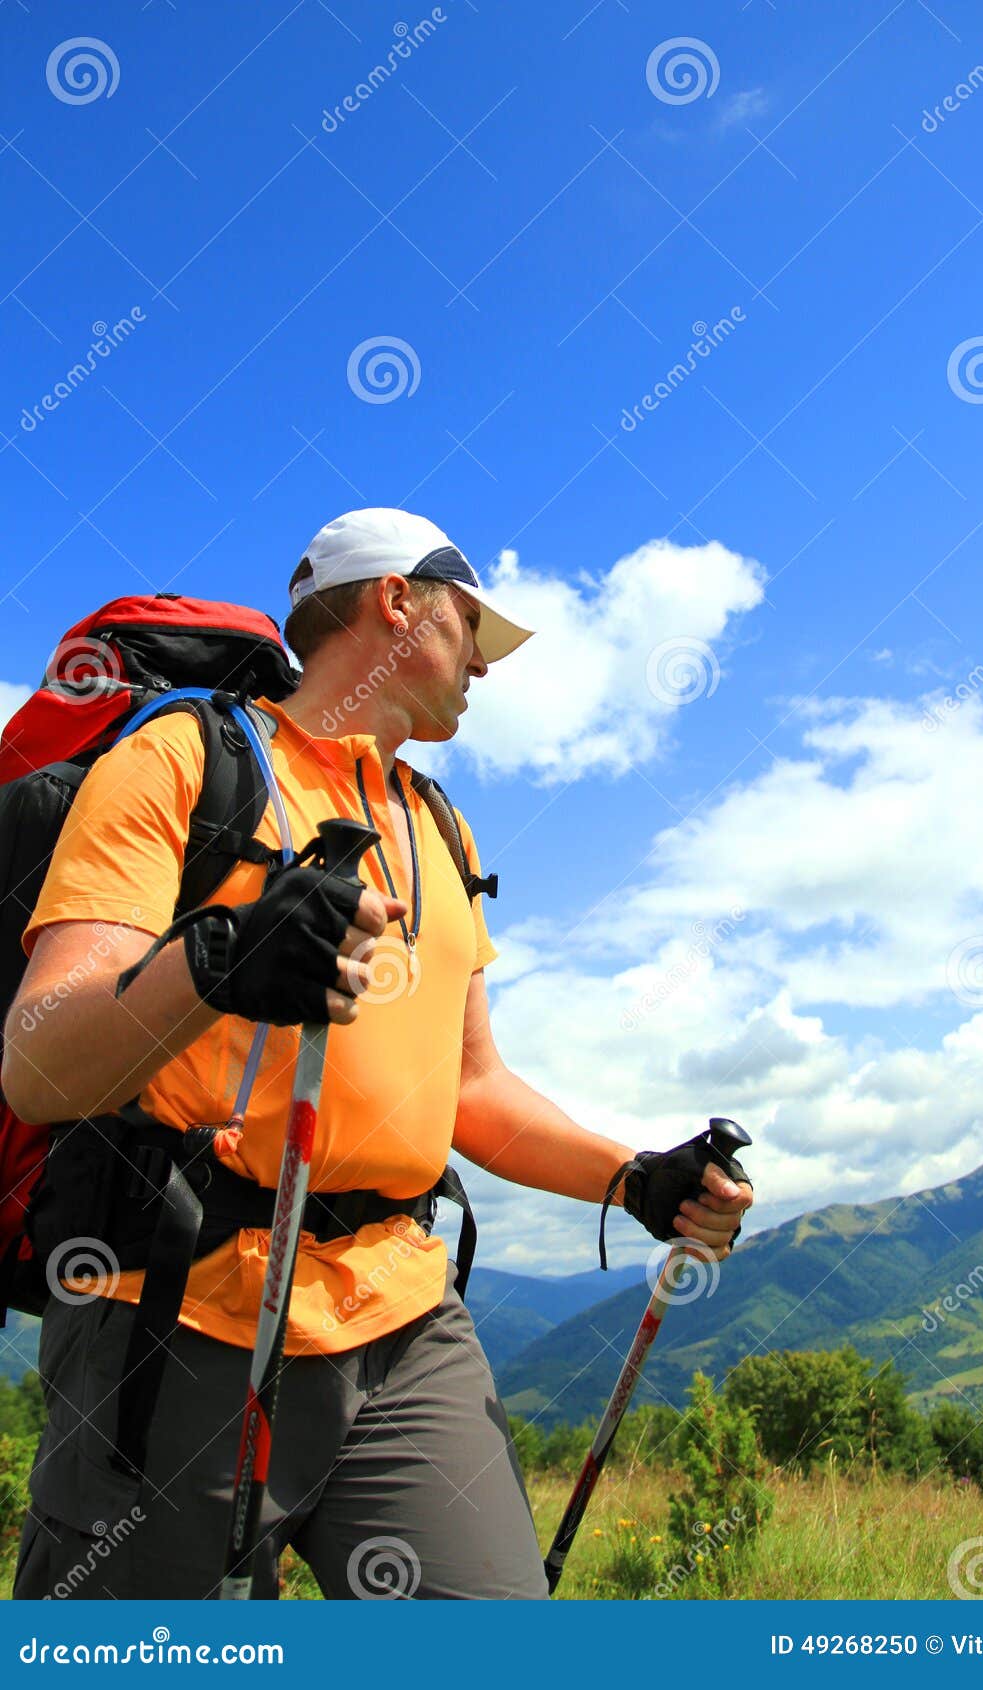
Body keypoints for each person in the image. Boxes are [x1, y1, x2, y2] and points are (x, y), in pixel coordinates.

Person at [2, 507, 753, 1600]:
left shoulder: (440, 828)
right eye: (470, 627)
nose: (483, 670)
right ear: (395, 601)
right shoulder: (186, 760)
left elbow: (470, 1089)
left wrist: (632, 1176)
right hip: (178, 1316)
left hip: (403, 1322)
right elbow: (39, 1063)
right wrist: (218, 956)